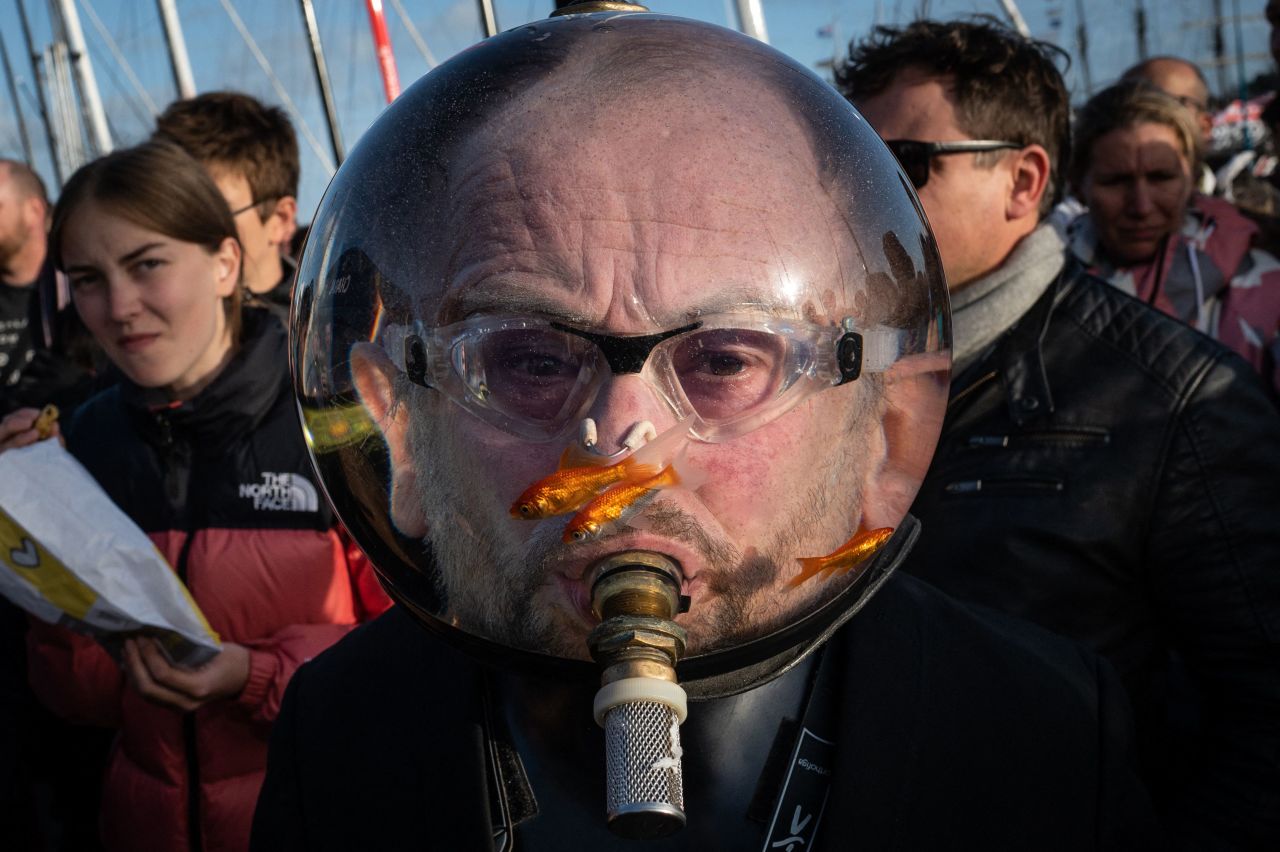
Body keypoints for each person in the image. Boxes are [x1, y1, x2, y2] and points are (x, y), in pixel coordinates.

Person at [250, 10, 1160, 851]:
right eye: (527, 359)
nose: (620, 437)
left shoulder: (1042, 728)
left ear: (884, 431)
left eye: (724, 361)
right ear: (405, 434)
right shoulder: (342, 728)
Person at [838, 18, 1280, 851]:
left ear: (1024, 180)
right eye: (844, 161)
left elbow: (1262, 724)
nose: (857, 194)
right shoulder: (822, 377)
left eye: (902, 165)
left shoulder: (1177, 402)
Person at [0, 141, 389, 852]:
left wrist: (258, 675)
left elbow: (415, 665)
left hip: (324, 818)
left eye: (147, 265)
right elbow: (80, 700)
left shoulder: (334, 422)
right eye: (87, 279)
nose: (118, 307)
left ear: (224, 264)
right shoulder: (81, 439)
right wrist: (30, 524)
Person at [1065, 80, 1280, 395]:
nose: (1141, 206)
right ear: (1077, 186)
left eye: (1161, 178)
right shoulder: (1040, 291)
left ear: (1192, 177)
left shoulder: (1268, 287)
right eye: (1115, 181)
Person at [152, 91, 300, 314]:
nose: (181, 235)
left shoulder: (327, 335)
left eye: (211, 215)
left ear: (280, 220)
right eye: (167, 217)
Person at [1122, 57, 1216, 193]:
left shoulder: (1239, 205)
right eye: (1128, 107)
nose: (1141, 118)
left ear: (1205, 126)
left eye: (1166, 103)